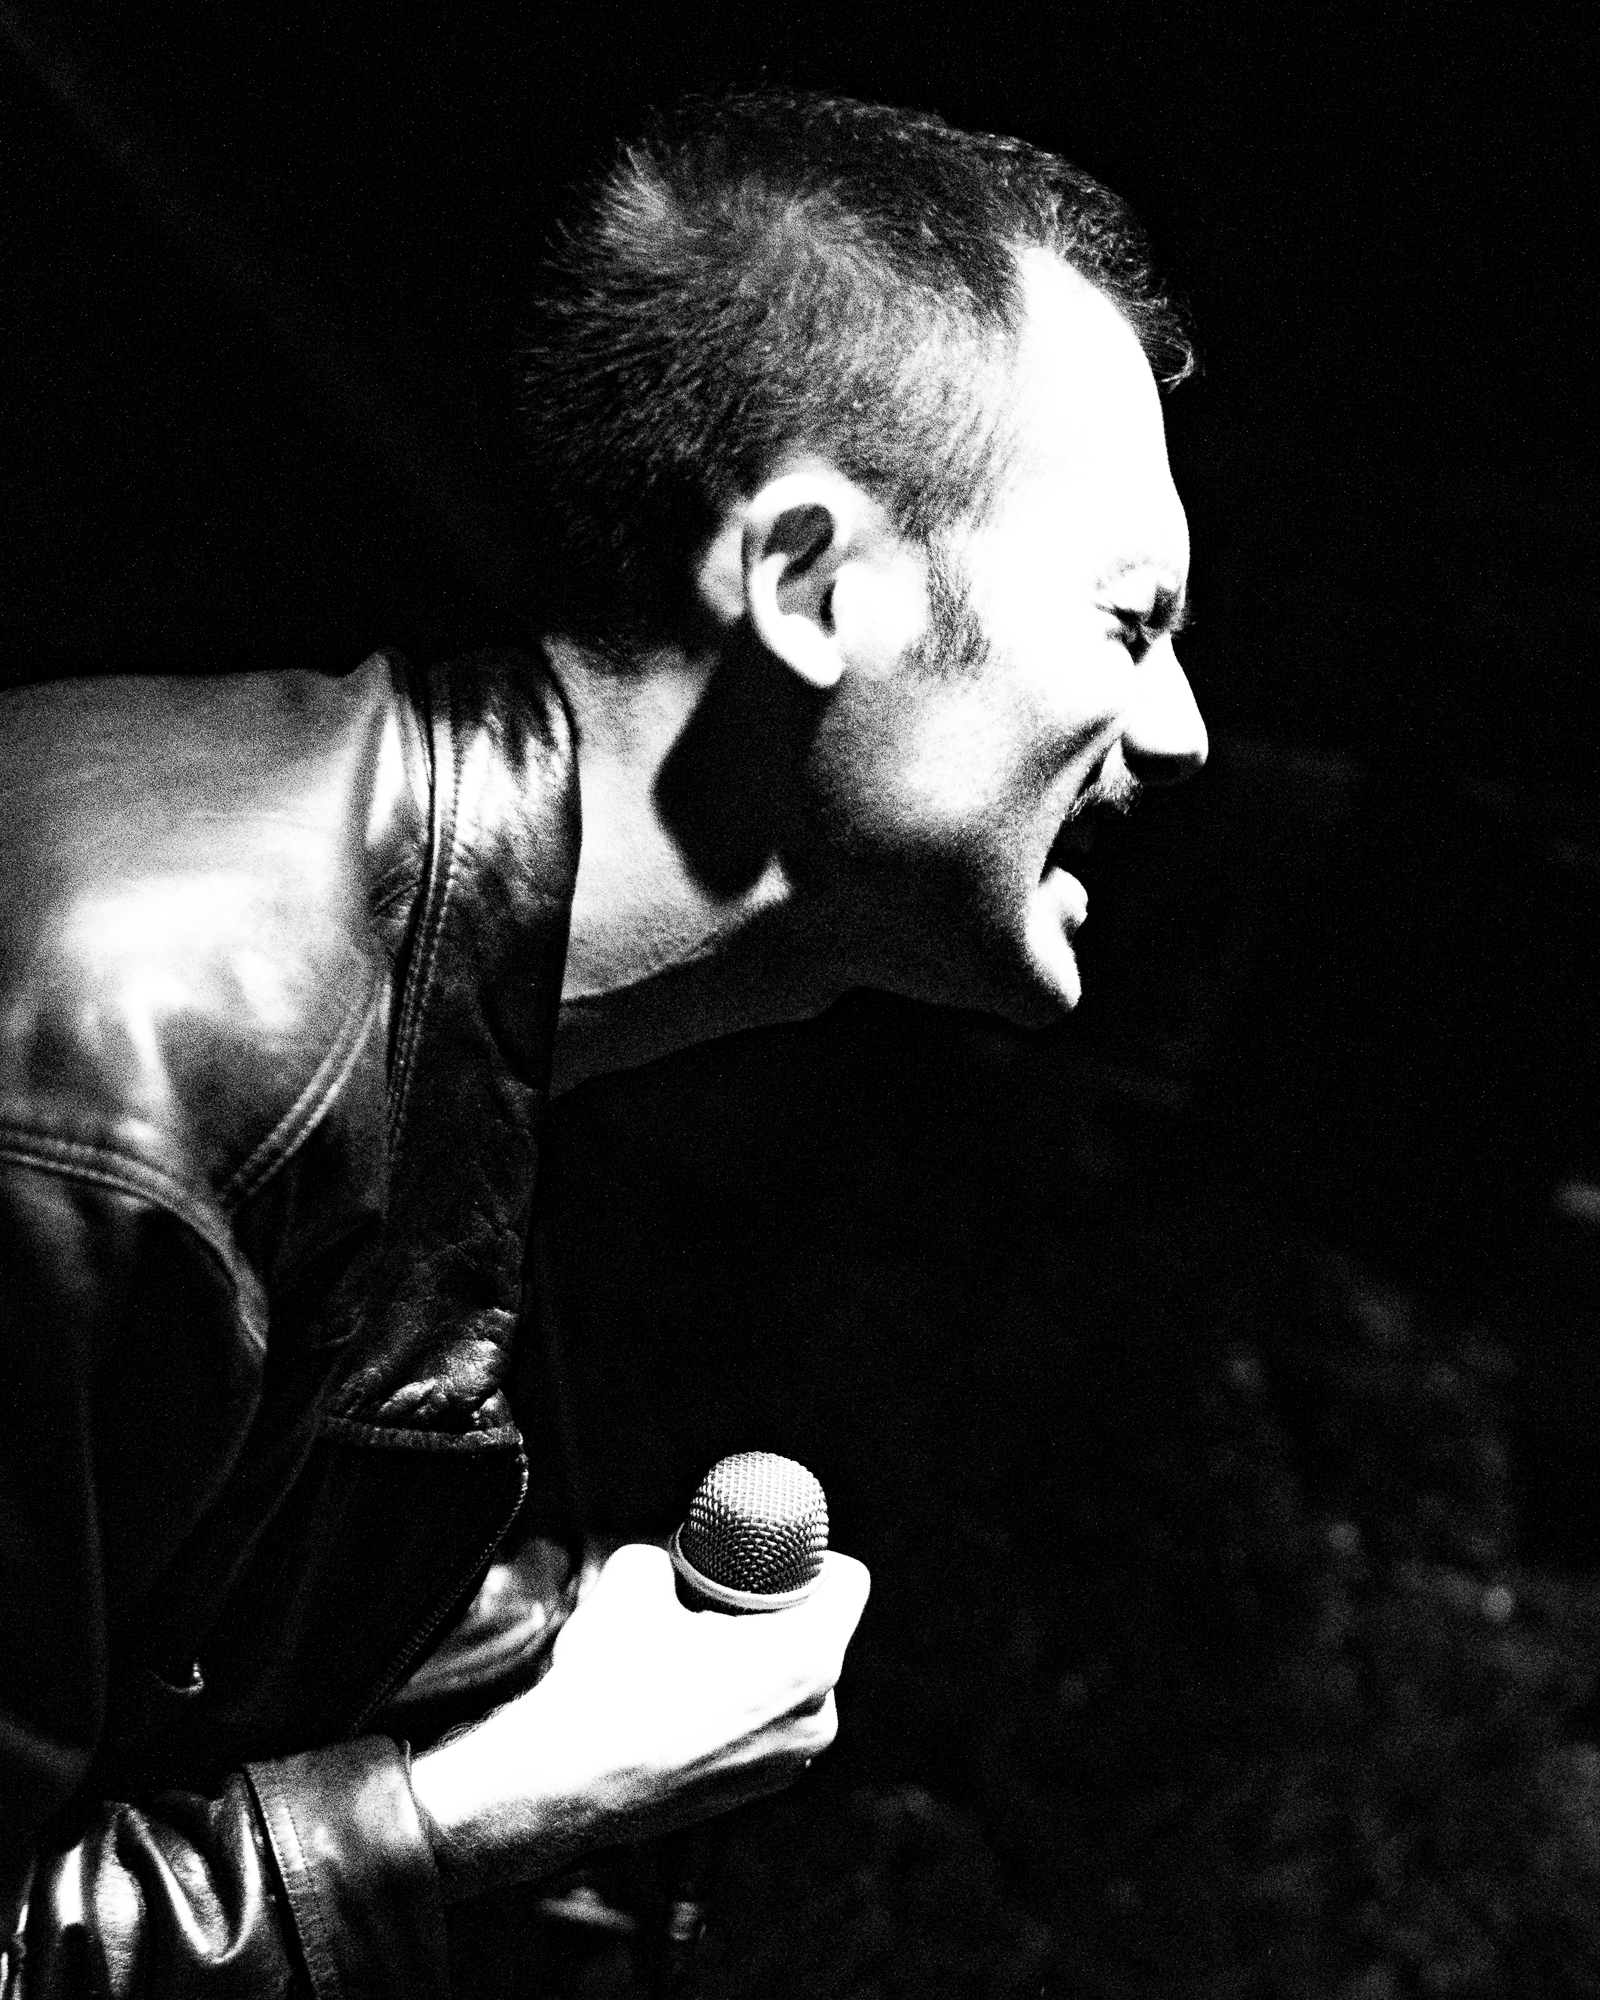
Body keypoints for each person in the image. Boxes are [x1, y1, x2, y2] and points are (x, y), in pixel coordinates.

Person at [0, 87, 1206, 1997]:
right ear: (809, 584)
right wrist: (483, 1808)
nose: (1188, 732)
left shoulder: (430, 995)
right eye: (1134, 624)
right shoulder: (130, 1070)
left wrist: (534, 1661)